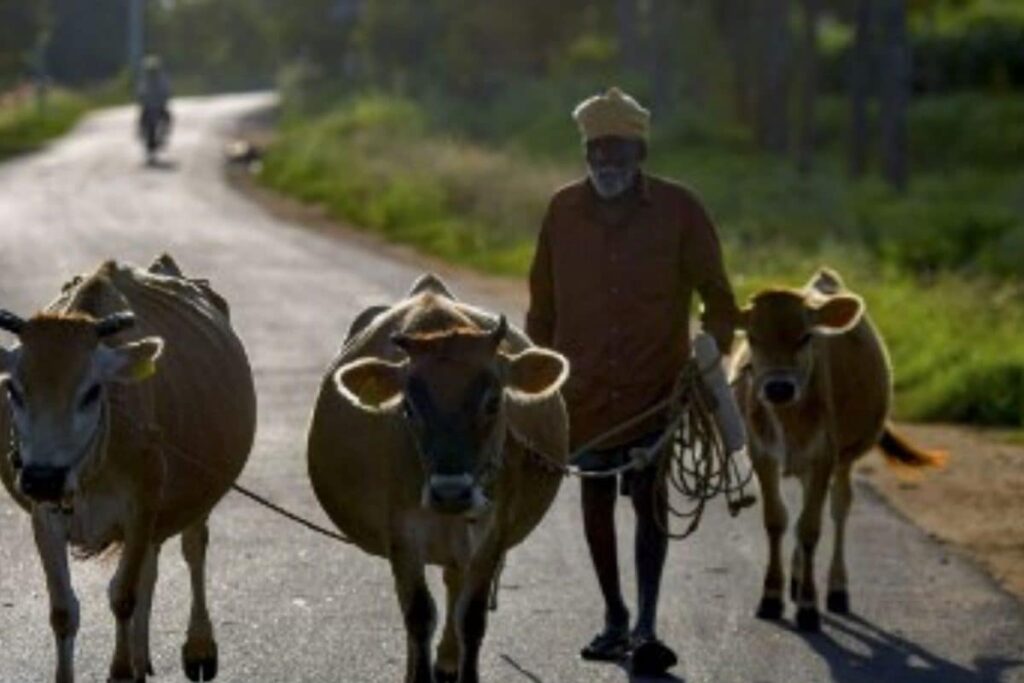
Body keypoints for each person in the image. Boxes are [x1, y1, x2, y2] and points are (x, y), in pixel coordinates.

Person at [525, 87, 739, 677]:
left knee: (649, 500)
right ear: (586, 151)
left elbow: (720, 300)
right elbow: (541, 308)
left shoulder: (680, 210)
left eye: (616, 149)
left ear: (639, 151)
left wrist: (710, 354)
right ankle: (614, 616)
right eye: (596, 149)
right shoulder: (561, 211)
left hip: (657, 392)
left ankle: (646, 622)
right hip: (583, 393)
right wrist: (536, 378)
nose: (605, 161)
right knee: (594, 495)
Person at [136, 55, 172, 150]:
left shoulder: (162, 78)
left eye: (153, 70)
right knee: (142, 119)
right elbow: (140, 92)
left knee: (167, 117)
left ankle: (163, 133)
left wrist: (165, 98)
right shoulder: (144, 79)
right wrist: (141, 99)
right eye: (150, 70)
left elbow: (166, 91)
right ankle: (142, 132)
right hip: (148, 106)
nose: (152, 72)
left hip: (159, 105)